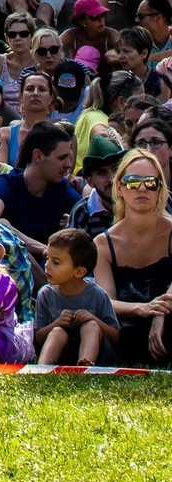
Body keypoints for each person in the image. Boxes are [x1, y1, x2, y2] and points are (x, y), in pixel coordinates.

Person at [92, 147, 172, 364]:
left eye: (151, 183)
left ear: (160, 189)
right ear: (119, 187)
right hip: (128, 329)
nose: (143, 189)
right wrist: (143, 309)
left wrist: (160, 313)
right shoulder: (103, 244)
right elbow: (106, 301)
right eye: (134, 182)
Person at [0, 120, 85, 258]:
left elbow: (88, 214)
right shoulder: (7, 183)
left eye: (69, 158)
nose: (68, 165)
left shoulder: (62, 189)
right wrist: (40, 248)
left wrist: (73, 222)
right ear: (38, 156)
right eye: (62, 158)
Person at [34, 225, 118, 366]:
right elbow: (39, 337)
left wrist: (94, 319)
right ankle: (43, 368)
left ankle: (85, 364)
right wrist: (57, 323)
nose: (47, 265)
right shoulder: (45, 294)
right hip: (63, 354)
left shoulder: (97, 294)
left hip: (99, 355)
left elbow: (115, 336)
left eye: (56, 262)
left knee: (90, 325)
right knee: (57, 331)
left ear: (79, 272)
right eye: (47, 258)